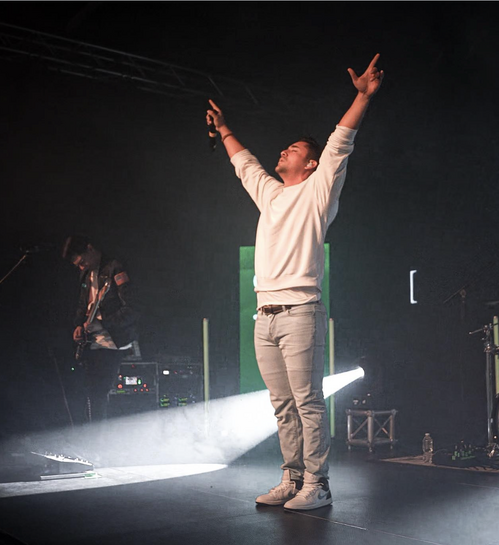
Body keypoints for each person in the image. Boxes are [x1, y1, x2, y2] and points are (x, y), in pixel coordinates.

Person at [206, 54, 384, 510]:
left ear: (310, 164)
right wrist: (224, 130)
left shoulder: (318, 191)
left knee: (307, 403)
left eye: (294, 149)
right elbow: (245, 164)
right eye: (285, 147)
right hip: (264, 316)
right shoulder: (271, 194)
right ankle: (292, 478)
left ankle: (318, 484)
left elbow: (340, 142)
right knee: (282, 405)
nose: (284, 151)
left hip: (301, 313)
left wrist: (362, 97)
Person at [62, 234, 139, 423]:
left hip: (112, 341)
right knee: (89, 395)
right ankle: (91, 433)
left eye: (82, 262)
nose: (82, 267)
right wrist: (78, 326)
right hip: (92, 342)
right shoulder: (86, 274)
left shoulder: (115, 268)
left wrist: (105, 322)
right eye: (78, 265)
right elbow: (83, 305)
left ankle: (99, 435)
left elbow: (132, 308)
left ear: (90, 249)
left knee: (98, 395)